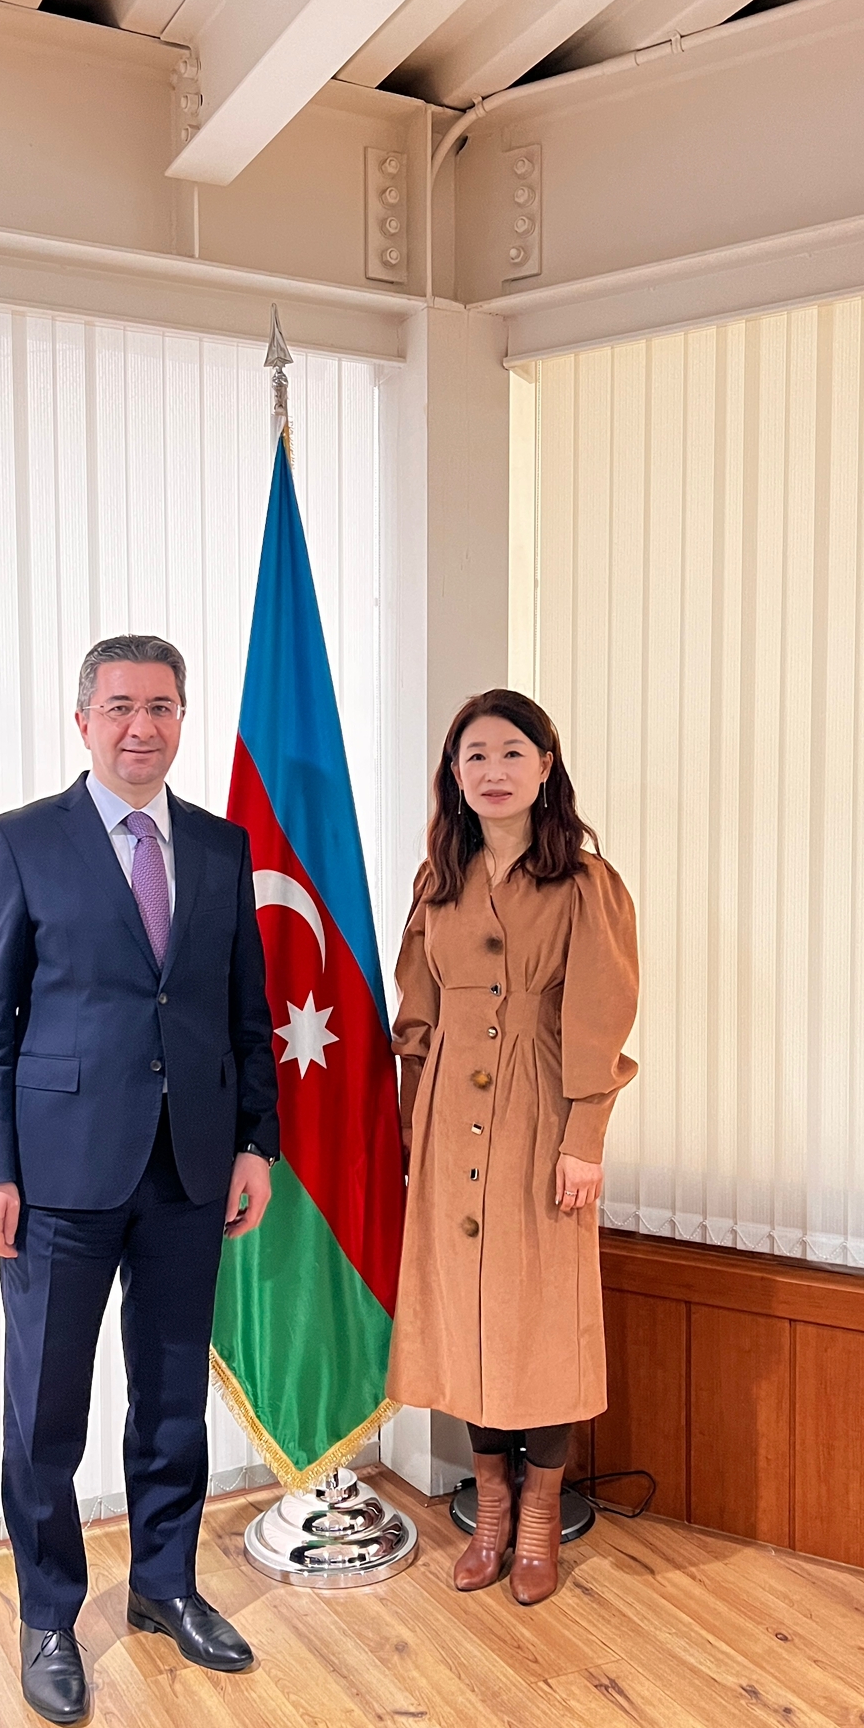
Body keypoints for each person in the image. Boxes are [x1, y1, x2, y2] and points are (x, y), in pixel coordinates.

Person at [0, 633, 279, 1726]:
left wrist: (256, 1142)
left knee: (173, 1394)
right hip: (57, 1176)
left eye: (162, 706)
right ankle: (49, 1615)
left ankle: (165, 1586)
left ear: (182, 717)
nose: (143, 725)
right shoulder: (20, 843)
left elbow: (244, 1012)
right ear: (84, 719)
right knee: (46, 1409)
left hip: (190, 1166)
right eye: (122, 706)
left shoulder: (222, 846)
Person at [388, 688, 638, 1606]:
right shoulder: (437, 881)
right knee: (464, 1317)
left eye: (510, 753)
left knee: (541, 1318)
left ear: (545, 766)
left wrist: (584, 1140)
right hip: (448, 1118)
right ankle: (488, 1509)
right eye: (475, 756)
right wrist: (410, 1132)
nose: (492, 772)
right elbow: (416, 1022)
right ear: (454, 775)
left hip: (541, 1113)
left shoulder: (584, 882)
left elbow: (601, 1019)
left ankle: (538, 1519)